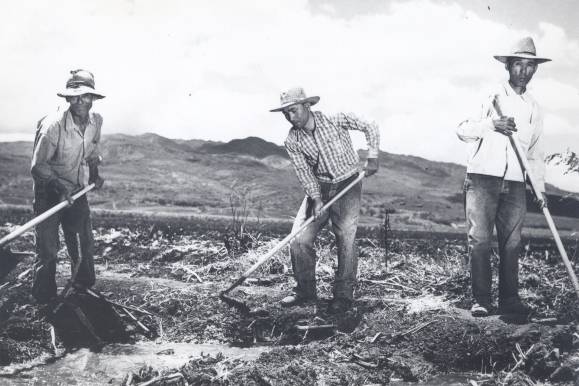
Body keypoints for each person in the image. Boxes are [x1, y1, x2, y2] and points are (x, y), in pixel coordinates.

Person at [456, 37, 550, 317]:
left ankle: (510, 301)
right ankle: (481, 300)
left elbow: (535, 152)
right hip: (482, 178)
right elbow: (462, 129)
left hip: (517, 182)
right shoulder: (490, 96)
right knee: (480, 240)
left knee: (511, 243)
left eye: (529, 65)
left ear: (535, 70)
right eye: (518, 64)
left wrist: (539, 186)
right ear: (508, 66)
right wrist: (491, 125)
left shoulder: (534, 107)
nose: (523, 70)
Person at [270, 87, 380, 314]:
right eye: (286, 114)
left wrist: (373, 157)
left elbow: (370, 125)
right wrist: (317, 199)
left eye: (294, 111)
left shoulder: (335, 118)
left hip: (348, 183)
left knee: (345, 239)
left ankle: (343, 296)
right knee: (299, 239)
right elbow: (304, 173)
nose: (291, 118)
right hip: (319, 186)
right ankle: (305, 291)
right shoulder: (292, 140)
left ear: (307, 106)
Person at [30, 69, 105, 304]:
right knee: (48, 248)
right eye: (75, 96)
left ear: (92, 98)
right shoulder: (53, 126)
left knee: (84, 241)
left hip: (75, 189)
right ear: (68, 99)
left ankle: (82, 287)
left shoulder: (96, 122)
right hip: (48, 192)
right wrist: (58, 187)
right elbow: (38, 166)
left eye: (85, 96)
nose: (80, 101)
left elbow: (92, 151)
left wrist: (94, 174)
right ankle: (44, 297)